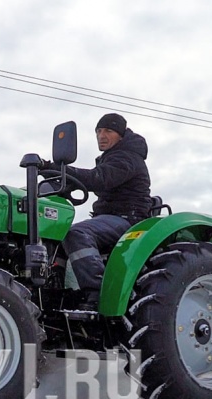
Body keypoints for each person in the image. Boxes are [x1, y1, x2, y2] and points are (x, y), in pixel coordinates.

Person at [49, 113, 151, 311]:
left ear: (120, 135)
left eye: (108, 131)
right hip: (109, 218)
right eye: (98, 131)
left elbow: (98, 179)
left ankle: (97, 294)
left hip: (128, 219)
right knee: (56, 237)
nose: (101, 136)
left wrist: (58, 169)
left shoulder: (127, 157)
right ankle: (55, 294)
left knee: (77, 234)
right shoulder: (111, 158)